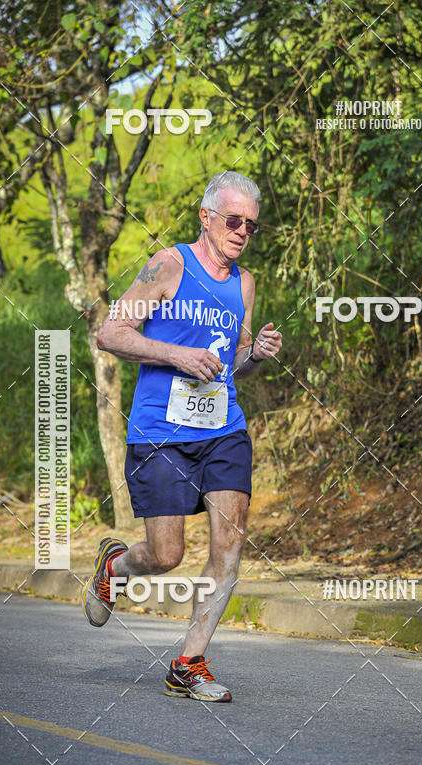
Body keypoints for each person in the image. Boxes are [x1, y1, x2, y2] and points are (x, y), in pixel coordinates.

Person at [81, 171, 282, 702]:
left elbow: (231, 362)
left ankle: (188, 664)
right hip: (160, 432)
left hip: (223, 430)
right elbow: (110, 333)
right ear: (207, 217)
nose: (241, 232)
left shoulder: (244, 284)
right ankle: (115, 566)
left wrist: (254, 353)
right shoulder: (166, 266)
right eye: (233, 220)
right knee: (166, 555)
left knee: (230, 542)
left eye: (251, 226)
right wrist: (175, 354)